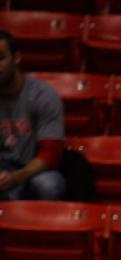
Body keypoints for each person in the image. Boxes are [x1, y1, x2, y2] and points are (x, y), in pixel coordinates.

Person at [0, 30, 66, 201]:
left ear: (16, 58)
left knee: (49, 185)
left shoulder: (42, 95)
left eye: (1, 58)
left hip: (34, 169)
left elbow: (50, 154)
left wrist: (17, 177)